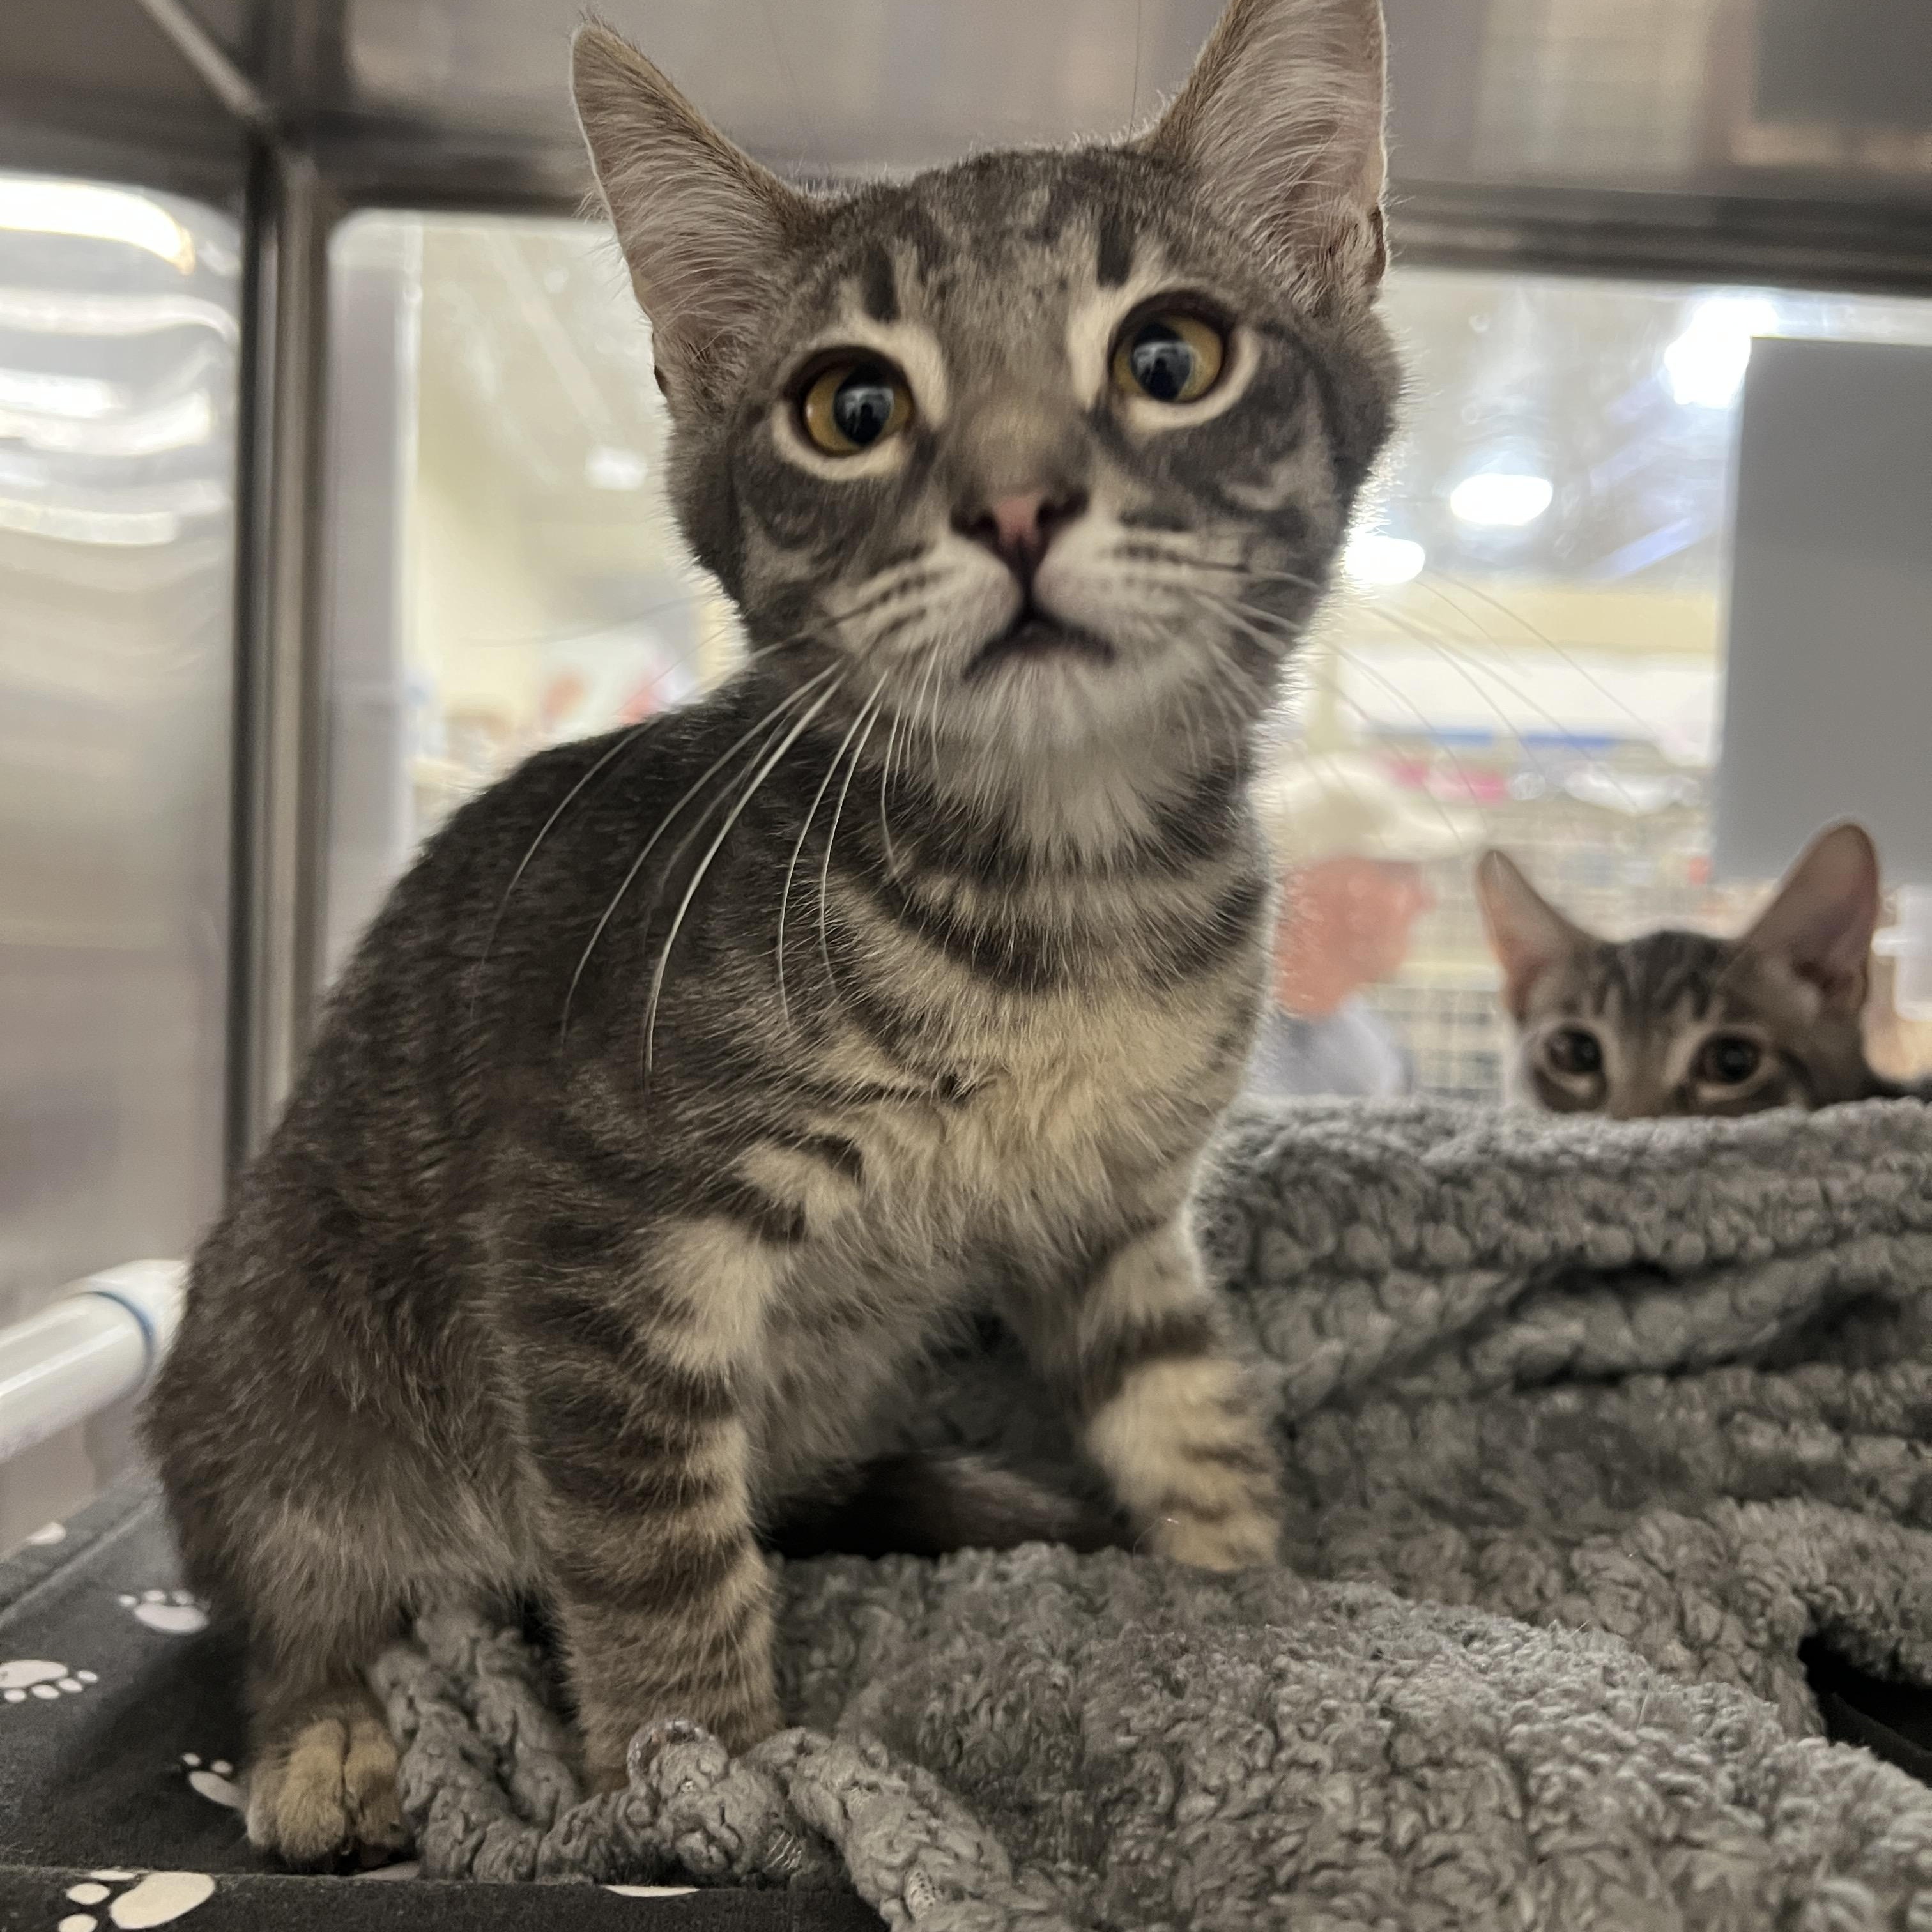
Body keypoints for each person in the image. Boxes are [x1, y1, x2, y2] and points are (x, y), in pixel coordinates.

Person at [1246, 751, 1478, 1102]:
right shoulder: (1213, 1061)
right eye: (1398, 870)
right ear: (1307, 889)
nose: (1425, 899)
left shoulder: (1371, 1044)